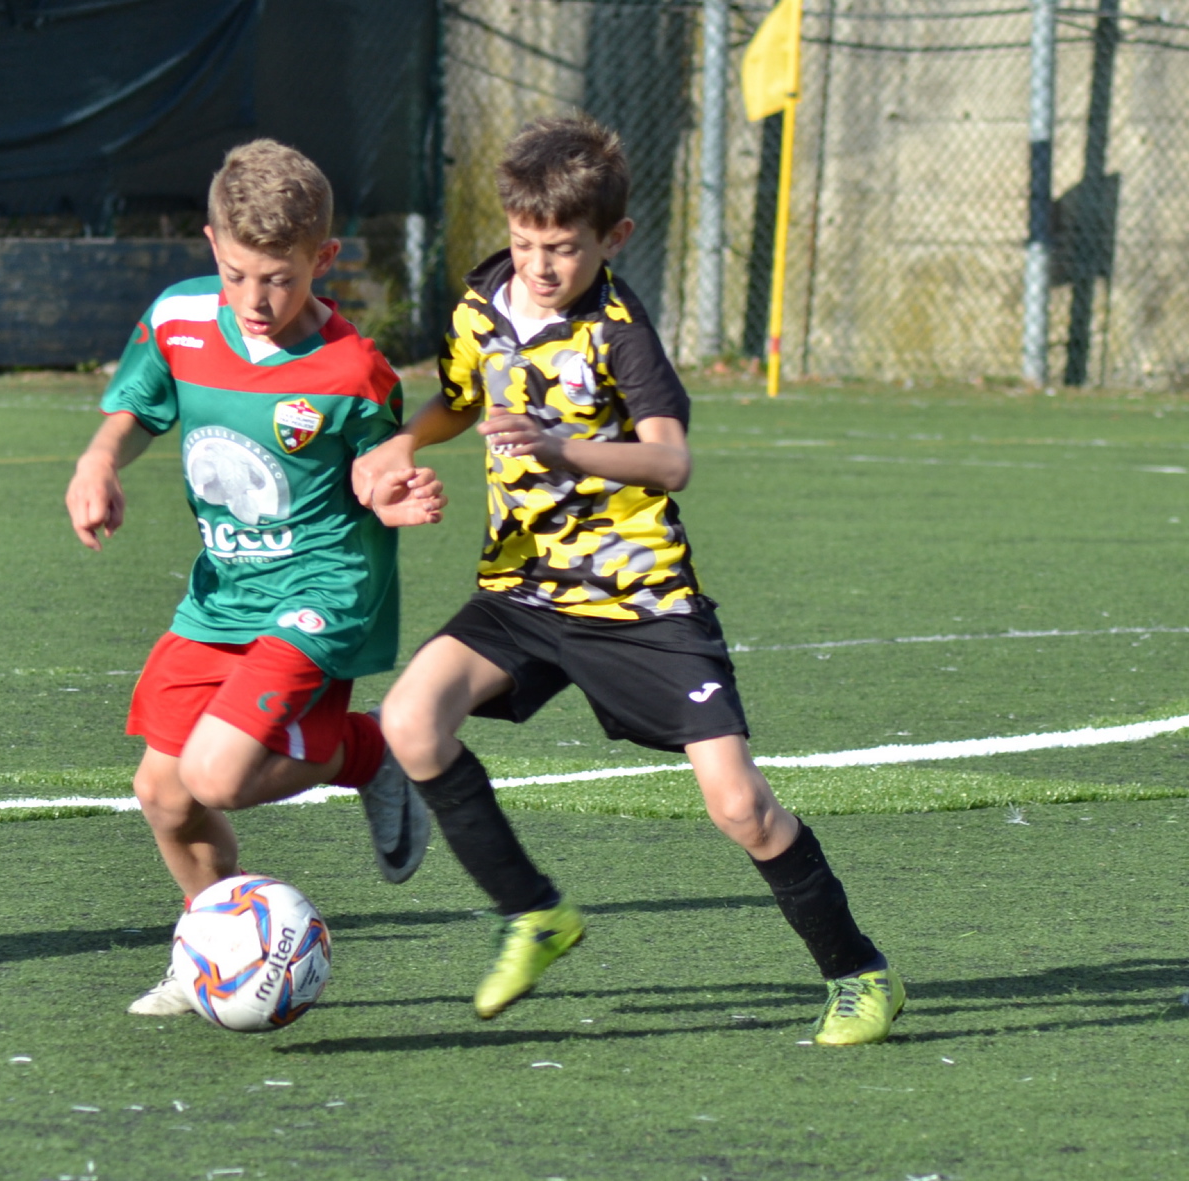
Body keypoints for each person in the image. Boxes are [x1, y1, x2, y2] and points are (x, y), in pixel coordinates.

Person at [353, 115, 902, 1045]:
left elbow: (671, 460)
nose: (538, 264)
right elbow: (457, 400)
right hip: (522, 588)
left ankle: (858, 972)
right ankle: (533, 913)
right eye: (525, 242)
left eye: (562, 249)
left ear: (613, 240)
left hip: (639, 601)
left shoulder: (617, 329)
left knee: (738, 804)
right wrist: (400, 445)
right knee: (409, 720)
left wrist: (561, 447)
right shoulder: (480, 303)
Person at [65, 139, 445, 1016]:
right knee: (162, 792)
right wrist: (99, 461)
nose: (254, 300)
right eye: (236, 274)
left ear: (324, 259)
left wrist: (394, 494)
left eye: (277, 277)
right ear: (210, 245)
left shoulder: (353, 372)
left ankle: (371, 748)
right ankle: (207, 952)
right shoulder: (178, 318)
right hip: (223, 594)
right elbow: (136, 403)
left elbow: (376, 471)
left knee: (218, 777)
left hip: (320, 591)